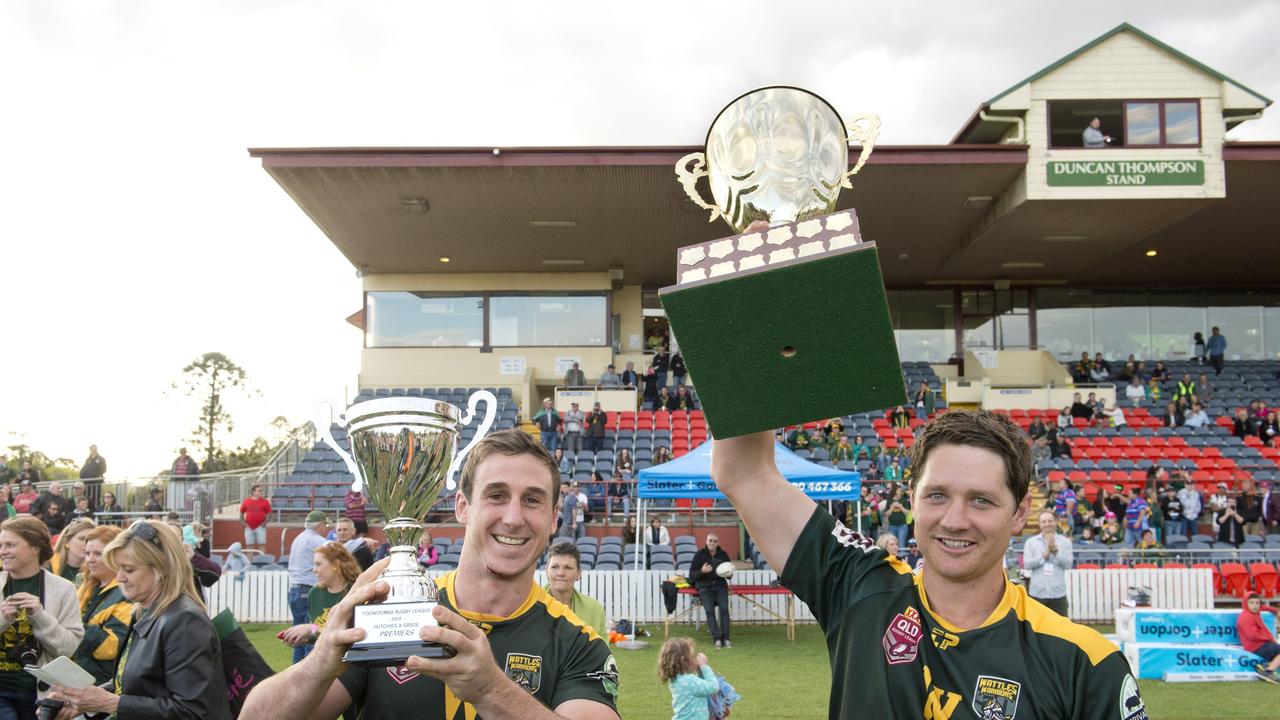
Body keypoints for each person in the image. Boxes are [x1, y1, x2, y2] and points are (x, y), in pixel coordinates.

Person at [711, 407, 1140, 717]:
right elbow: (744, 472)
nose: (955, 521)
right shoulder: (860, 587)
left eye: (981, 500)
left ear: (1021, 512)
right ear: (912, 495)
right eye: (937, 495)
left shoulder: (1086, 664)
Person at [239, 429, 620, 720]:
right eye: (496, 495)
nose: (513, 518)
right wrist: (320, 661)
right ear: (462, 507)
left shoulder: (580, 644)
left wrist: (491, 690)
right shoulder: (390, 611)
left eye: (533, 500)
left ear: (555, 518)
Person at [48, 520, 229, 720]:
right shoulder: (144, 611)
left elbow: (192, 711)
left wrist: (110, 703)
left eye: (129, 569)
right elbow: (133, 683)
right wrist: (84, 700)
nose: (120, 578)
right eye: (118, 568)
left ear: (161, 569)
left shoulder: (185, 621)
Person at [0, 517, 84, 720]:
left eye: (10, 545)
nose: (3, 551)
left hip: (42, 695)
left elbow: (69, 647)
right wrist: (3, 620)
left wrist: (40, 616)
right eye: (1, 545)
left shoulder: (64, 589)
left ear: (35, 548)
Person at [280, 541, 361, 656]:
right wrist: (305, 637)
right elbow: (316, 631)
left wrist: (310, 629)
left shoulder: (355, 592)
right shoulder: (315, 593)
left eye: (318, 564)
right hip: (321, 659)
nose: (314, 570)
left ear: (335, 565)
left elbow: (353, 633)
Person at [72, 524, 129, 684]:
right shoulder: (86, 586)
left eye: (98, 553)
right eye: (87, 553)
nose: (90, 559)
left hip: (102, 684)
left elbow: (111, 646)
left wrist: (72, 628)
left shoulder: (127, 593)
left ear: (116, 555)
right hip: (76, 678)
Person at [287, 510, 332, 663]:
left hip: (294, 591)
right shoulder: (316, 540)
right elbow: (338, 552)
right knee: (311, 632)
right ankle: (309, 672)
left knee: (298, 636)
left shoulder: (298, 538)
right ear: (320, 525)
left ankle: (294, 673)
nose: (325, 529)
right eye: (325, 525)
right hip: (307, 591)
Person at [544, 541, 607, 638]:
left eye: (568, 568)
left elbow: (602, 651)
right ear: (547, 572)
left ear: (579, 574)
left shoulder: (595, 609)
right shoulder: (530, 605)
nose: (560, 573)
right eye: (555, 567)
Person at [658, 637, 721, 720]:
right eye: (692, 656)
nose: (694, 658)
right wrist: (704, 666)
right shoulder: (688, 680)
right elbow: (713, 687)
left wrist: (699, 670)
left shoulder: (678, 678)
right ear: (684, 659)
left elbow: (700, 686)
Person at [1023, 511, 1073, 617]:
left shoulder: (1065, 542)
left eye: (1050, 521)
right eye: (1044, 521)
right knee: (1036, 629)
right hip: (1037, 593)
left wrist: (1055, 552)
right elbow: (1027, 564)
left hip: (1058, 593)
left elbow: (1069, 564)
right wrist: (1044, 555)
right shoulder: (1031, 542)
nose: (1047, 524)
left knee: (1061, 631)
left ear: (1055, 522)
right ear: (1039, 524)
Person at [688, 533, 731, 649]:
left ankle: (726, 638)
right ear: (706, 542)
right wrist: (702, 571)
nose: (712, 543)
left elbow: (729, 574)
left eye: (715, 541)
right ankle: (717, 638)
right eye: (710, 540)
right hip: (704, 587)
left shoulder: (723, 555)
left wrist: (730, 574)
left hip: (720, 586)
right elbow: (691, 576)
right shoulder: (699, 555)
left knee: (724, 610)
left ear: (718, 543)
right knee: (709, 610)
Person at [1238, 592, 1280, 682]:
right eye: (1252, 602)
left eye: (1257, 603)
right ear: (1246, 603)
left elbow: (1264, 607)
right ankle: (1268, 671)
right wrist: (1269, 637)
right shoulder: (1246, 617)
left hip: (1262, 645)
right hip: (1256, 647)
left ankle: (1267, 666)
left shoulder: (1253, 612)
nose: (1255, 605)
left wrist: (1276, 611)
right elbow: (1252, 635)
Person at [49, 518, 95, 584]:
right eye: (82, 539)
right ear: (67, 541)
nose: (87, 544)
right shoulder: (47, 566)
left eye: (91, 539)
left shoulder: (96, 570)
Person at [240, 483, 273, 552]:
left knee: (262, 545)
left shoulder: (265, 502)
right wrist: (242, 522)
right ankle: (249, 562)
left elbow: (269, 514)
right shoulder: (247, 501)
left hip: (260, 527)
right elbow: (242, 512)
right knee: (249, 546)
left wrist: (264, 523)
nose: (261, 492)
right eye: (259, 490)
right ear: (253, 492)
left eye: (261, 491)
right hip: (248, 527)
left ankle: (262, 561)